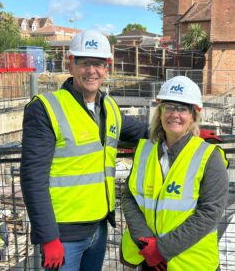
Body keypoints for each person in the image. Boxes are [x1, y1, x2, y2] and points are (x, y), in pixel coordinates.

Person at [20, 29, 148, 270]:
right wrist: (48, 237)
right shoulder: (45, 108)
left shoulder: (107, 106)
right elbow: (32, 179)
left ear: (106, 69)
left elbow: (140, 132)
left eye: (98, 64)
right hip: (63, 234)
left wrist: (186, 134)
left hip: (99, 226)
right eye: (85, 63)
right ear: (71, 65)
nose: (92, 71)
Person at [120, 76, 229, 270]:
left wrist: (161, 249)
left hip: (189, 264)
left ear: (193, 116)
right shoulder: (145, 151)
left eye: (182, 109)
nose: (174, 114)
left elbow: (209, 214)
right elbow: (129, 196)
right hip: (147, 257)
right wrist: (145, 241)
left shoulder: (209, 157)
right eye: (169, 107)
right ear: (160, 112)